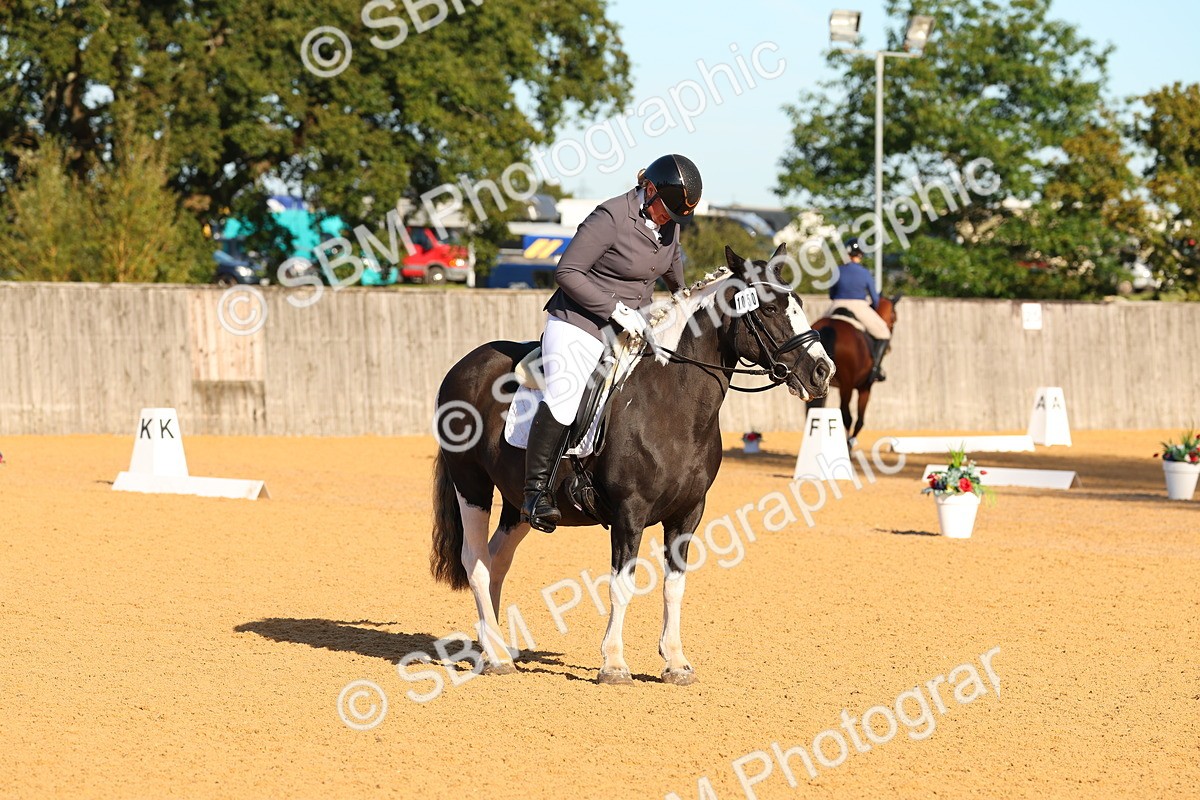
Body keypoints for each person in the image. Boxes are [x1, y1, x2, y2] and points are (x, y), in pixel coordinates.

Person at [521, 153, 703, 533]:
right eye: (666, 210)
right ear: (649, 189)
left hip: (635, 327)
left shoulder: (668, 223)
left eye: (676, 216)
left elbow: (671, 270)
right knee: (567, 399)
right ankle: (535, 492)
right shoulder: (611, 216)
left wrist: (686, 298)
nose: (669, 219)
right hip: (580, 322)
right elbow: (566, 271)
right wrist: (614, 309)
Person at [828, 239, 890, 383]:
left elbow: (831, 294)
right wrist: (873, 309)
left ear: (847, 253)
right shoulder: (865, 273)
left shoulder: (837, 270)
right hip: (859, 306)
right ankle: (875, 369)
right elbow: (875, 298)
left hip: (836, 304)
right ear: (860, 254)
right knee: (884, 333)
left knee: (815, 331)